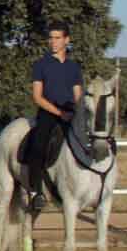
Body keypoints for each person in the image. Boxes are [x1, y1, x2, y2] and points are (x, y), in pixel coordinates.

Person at [28, 22, 84, 212]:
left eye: (57, 37)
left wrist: (76, 112)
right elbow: (37, 96)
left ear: (66, 40)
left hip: (71, 112)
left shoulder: (74, 66)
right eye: (51, 37)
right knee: (38, 145)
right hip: (49, 112)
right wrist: (59, 113)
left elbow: (78, 95)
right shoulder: (40, 64)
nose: (53, 41)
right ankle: (35, 192)